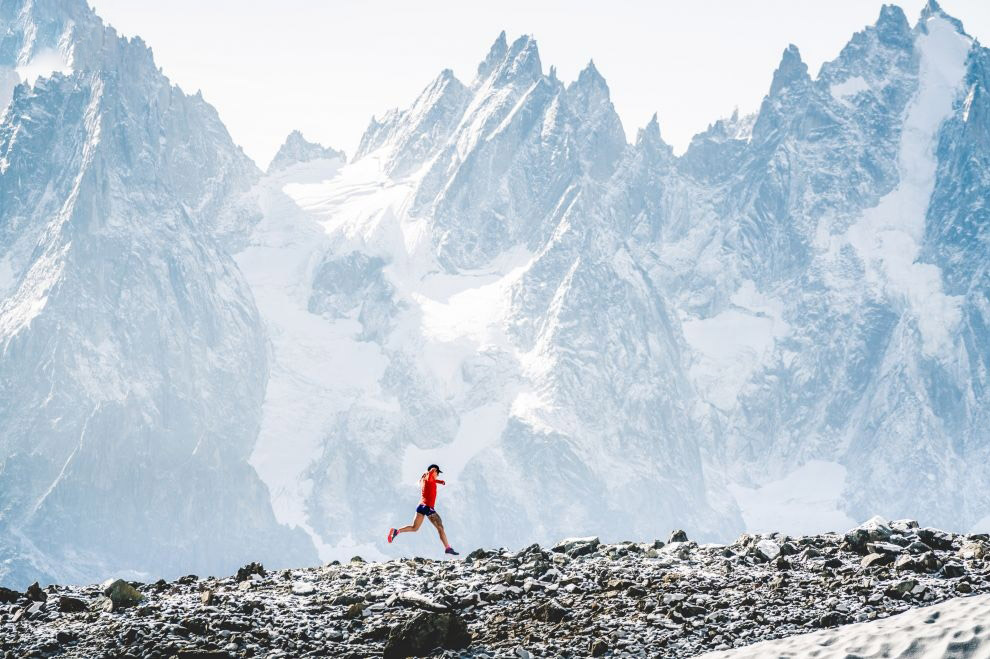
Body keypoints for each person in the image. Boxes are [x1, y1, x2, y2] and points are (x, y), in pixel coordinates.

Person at [388, 464, 459, 555]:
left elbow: (431, 479)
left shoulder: (424, 479)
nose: (438, 475)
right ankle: (448, 548)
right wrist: (433, 469)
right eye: (438, 473)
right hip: (428, 507)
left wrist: (440, 481)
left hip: (420, 506)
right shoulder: (429, 475)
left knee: (415, 528)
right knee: (440, 528)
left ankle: (396, 531)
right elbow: (431, 473)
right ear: (435, 471)